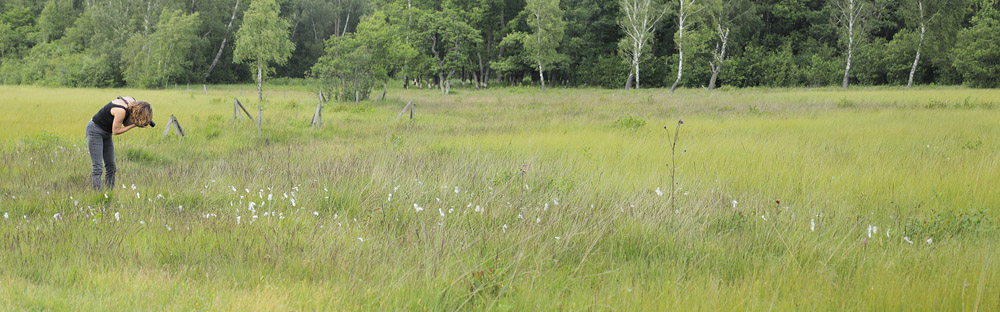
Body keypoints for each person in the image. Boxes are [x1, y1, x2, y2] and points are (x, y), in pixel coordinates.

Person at [86, 96, 154, 191]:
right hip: (94, 131)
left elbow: (126, 122)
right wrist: (135, 125)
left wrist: (140, 122)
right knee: (98, 167)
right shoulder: (120, 110)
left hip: (106, 133)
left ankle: (109, 193)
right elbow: (116, 131)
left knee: (111, 166)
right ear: (137, 112)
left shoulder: (132, 102)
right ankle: (99, 194)